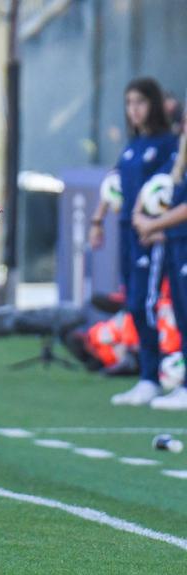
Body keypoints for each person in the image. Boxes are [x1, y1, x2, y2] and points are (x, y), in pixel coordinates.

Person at [89, 78, 179, 406]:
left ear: (154, 104)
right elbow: (113, 182)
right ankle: (148, 378)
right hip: (128, 231)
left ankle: (155, 374)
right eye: (129, 103)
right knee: (135, 302)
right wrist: (98, 221)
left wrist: (157, 224)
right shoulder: (131, 147)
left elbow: (169, 187)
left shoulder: (168, 144)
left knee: (148, 302)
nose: (134, 109)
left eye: (140, 102)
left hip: (152, 235)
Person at [132, 108, 187, 409]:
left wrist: (154, 224)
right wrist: (149, 223)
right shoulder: (178, 159)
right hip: (177, 242)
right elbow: (155, 187)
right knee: (181, 314)